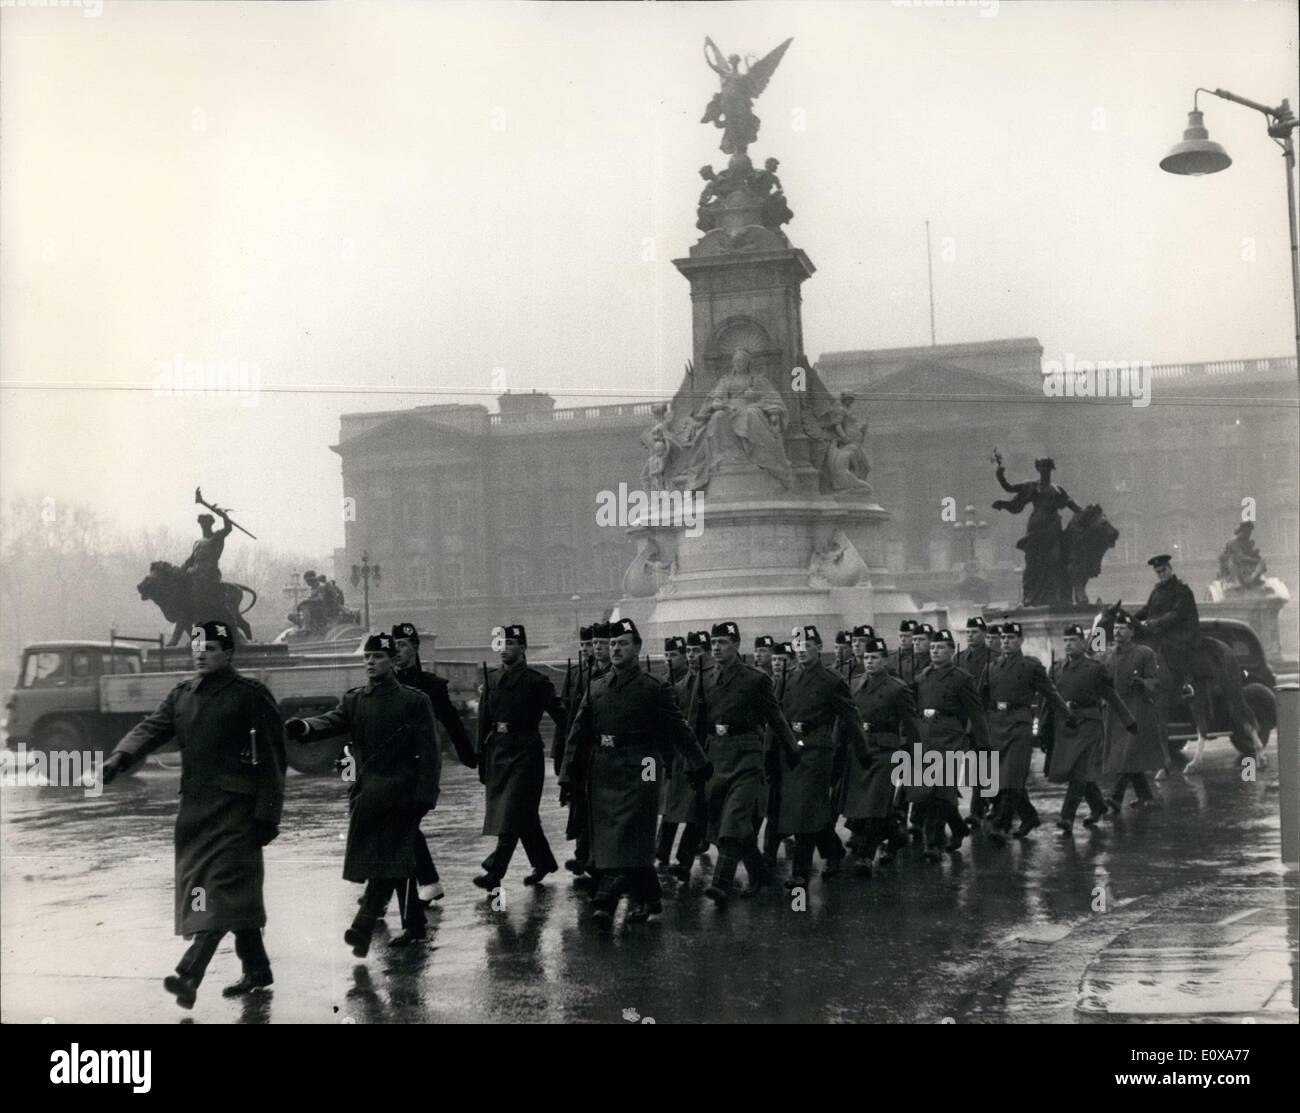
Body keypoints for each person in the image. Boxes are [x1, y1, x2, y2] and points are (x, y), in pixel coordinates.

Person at [100, 620, 286, 1008]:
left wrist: (268, 815)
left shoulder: (251, 695)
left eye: (211, 648)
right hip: (196, 815)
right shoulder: (182, 695)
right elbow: (150, 728)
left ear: (229, 653)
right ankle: (257, 969)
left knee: (218, 892)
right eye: (196, 646)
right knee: (209, 892)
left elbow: (273, 759)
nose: (201, 653)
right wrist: (119, 759)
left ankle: (188, 976)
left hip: (237, 812)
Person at [286, 632, 440, 955]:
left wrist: (425, 796)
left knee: (390, 860)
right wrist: (305, 727)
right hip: (368, 796)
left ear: (392, 661)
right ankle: (414, 925)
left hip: (403, 795)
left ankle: (363, 925)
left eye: (378, 656)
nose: (370, 662)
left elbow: (429, 752)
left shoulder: (414, 701)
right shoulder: (356, 700)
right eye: (367, 657)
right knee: (397, 862)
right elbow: (331, 721)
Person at [560, 619, 712, 924]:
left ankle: (607, 897)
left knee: (631, 828)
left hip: (644, 764)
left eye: (623, 643)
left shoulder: (653, 688)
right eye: (613, 643)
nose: (616, 649)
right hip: (604, 767)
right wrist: (568, 776)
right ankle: (650, 897)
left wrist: (698, 761)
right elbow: (577, 734)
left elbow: (679, 728)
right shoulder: (596, 687)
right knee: (615, 835)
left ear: (638, 648)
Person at [699, 622, 800, 907]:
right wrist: (694, 758)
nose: (717, 648)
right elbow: (697, 721)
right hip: (717, 756)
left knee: (734, 818)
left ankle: (720, 883)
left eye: (723, 643)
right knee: (726, 824)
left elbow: (775, 717)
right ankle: (760, 873)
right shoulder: (706, 679)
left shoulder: (755, 679)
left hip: (746, 755)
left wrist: (793, 749)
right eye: (714, 643)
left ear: (737, 645)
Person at [473, 624, 567, 891]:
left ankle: (495, 870)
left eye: (511, 644)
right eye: (501, 644)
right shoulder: (491, 680)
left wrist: (575, 745)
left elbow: (562, 718)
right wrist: (481, 757)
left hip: (526, 752)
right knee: (522, 814)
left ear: (523, 648)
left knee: (512, 810)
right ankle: (544, 862)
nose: (504, 649)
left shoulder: (537, 682)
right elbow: (483, 721)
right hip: (499, 751)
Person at [777, 625, 869, 890]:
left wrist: (863, 754)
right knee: (808, 810)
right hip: (792, 749)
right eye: (798, 646)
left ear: (819, 648)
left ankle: (800, 875)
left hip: (817, 750)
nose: (802, 651)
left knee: (806, 810)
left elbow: (851, 718)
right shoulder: (787, 678)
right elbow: (778, 717)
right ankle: (834, 851)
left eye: (808, 646)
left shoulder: (831, 680)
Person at [391, 621, 474, 904]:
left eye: (402, 645)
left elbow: (452, 722)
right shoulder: (385, 681)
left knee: (402, 823)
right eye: (394, 645)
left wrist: (469, 756)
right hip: (390, 765)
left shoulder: (430, 686)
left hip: (418, 766)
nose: (397, 650)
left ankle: (385, 895)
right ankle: (425, 883)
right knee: (399, 825)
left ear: (415, 648)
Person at [983, 621, 1071, 844]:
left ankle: (1001, 825)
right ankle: (1029, 816)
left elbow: (1050, 692)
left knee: (1012, 776)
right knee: (1003, 777)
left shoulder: (1031, 666)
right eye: (1003, 638)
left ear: (1021, 641)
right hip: (996, 724)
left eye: (1011, 638)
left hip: (1019, 725)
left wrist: (1067, 715)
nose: (1006, 642)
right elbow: (980, 699)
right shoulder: (991, 667)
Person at [840, 637, 921, 873]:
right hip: (860, 750)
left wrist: (914, 757)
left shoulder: (897, 688)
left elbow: (911, 725)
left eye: (875, 658)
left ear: (885, 661)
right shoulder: (854, 684)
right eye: (866, 657)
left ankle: (866, 854)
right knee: (862, 805)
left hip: (886, 751)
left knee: (876, 804)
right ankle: (896, 836)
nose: (869, 662)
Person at [1048, 624, 1138, 834]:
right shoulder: (1057, 669)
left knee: (1079, 771)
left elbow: (1111, 697)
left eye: (1074, 640)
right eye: (1066, 640)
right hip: (1067, 726)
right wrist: (1044, 730)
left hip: (1089, 724)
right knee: (1079, 772)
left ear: (1083, 642)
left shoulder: (1095, 669)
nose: (1069, 644)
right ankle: (1098, 806)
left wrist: (1129, 721)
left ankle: (1067, 817)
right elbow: (1049, 701)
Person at [910, 630, 987, 862]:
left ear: (952, 651)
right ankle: (959, 828)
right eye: (933, 647)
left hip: (950, 738)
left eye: (941, 647)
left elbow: (976, 711)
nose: (935, 651)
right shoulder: (921, 677)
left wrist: (983, 743)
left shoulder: (961, 678)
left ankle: (932, 844)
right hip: (926, 736)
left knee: (939, 791)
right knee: (931, 791)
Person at [660, 631, 715, 882]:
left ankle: (684, 859)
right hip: (682, 755)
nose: (692, 656)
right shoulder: (679, 686)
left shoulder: (715, 681)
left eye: (696, 651)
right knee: (672, 806)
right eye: (690, 651)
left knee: (697, 810)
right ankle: (661, 852)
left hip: (708, 754)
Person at [1102, 612, 1165, 810]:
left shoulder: (1144, 653)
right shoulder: (1109, 656)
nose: (1117, 632)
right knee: (1127, 755)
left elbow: (1156, 681)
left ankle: (1115, 797)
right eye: (1115, 629)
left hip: (1138, 711)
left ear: (1131, 632)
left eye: (1122, 628)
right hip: (1116, 713)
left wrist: (1142, 683)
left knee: (1128, 754)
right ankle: (1147, 796)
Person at [957, 617, 994, 826]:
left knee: (985, 763)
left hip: (986, 718)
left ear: (984, 634)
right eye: (968, 632)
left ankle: (977, 810)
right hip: (964, 718)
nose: (970, 635)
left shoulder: (993, 657)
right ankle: (984, 803)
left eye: (975, 632)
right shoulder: (959, 659)